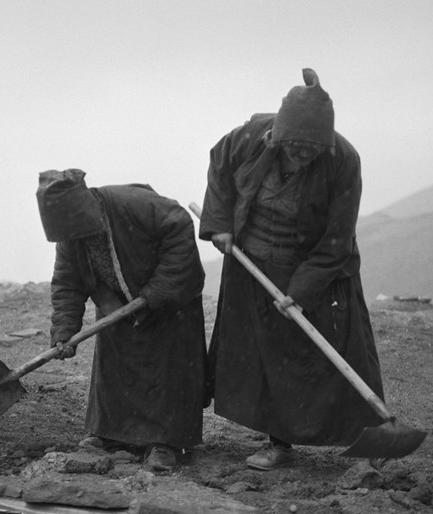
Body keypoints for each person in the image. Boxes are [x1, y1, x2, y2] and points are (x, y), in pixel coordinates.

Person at [198, 68, 385, 470]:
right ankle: (278, 444)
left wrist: (300, 291)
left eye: (311, 148)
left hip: (316, 268)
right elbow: (219, 166)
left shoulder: (343, 161)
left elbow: (338, 236)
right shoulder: (250, 137)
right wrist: (220, 225)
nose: (302, 155)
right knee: (267, 359)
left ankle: (372, 442)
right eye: (294, 146)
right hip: (253, 266)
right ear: (278, 137)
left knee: (336, 353)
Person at [36, 169, 207, 470]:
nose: (77, 238)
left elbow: (179, 224)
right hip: (115, 303)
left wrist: (157, 292)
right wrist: (63, 332)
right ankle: (110, 433)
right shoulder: (68, 236)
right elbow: (67, 283)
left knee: (166, 371)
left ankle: (164, 442)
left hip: (168, 298)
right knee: (115, 370)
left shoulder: (133, 203)